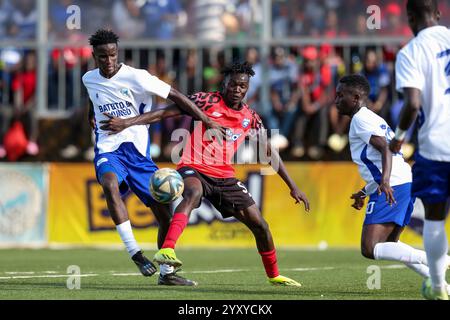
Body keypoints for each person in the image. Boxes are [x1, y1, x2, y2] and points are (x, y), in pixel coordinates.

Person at [100, 61, 311, 286]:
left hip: (224, 176)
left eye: (242, 86)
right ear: (224, 83)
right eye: (233, 85)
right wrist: (127, 123)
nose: (237, 90)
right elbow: (164, 113)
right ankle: (168, 250)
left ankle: (274, 275)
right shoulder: (206, 100)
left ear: (248, 88)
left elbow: (268, 151)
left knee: (260, 225)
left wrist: (292, 186)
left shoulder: (251, 117)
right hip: (193, 165)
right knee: (192, 193)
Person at [82, 29, 224, 286]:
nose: (109, 61)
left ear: (118, 53)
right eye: (103, 56)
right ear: (94, 56)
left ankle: (166, 274)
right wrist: (91, 114)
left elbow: (178, 98)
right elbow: (94, 98)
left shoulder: (138, 78)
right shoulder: (88, 78)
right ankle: (135, 253)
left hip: (138, 155)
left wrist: (205, 120)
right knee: (110, 185)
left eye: (113, 55)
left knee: (165, 217)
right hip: (108, 149)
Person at [335, 74, 450, 290]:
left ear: (357, 97)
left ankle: (438, 260)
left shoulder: (361, 120)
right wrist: (365, 190)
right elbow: (381, 159)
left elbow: (386, 149)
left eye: (341, 95)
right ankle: (441, 285)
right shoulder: (371, 118)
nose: (336, 99)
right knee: (390, 245)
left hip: (394, 184)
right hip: (403, 181)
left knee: (370, 248)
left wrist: (385, 182)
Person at [389, 0, 450, 300]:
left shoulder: (410, 52)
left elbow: (412, 104)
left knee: (436, 218)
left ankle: (438, 287)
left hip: (437, 147)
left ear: (410, 18)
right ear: (439, 14)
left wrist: (399, 137)